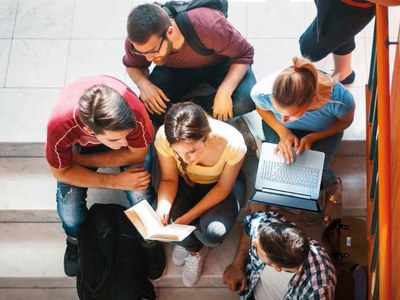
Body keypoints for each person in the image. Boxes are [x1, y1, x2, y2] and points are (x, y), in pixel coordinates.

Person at [45, 75, 165, 279]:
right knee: (69, 206)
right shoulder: (60, 125)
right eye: (116, 138)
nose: (124, 141)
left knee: (140, 193)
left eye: (126, 134)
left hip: (88, 152)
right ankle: (75, 239)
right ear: (88, 130)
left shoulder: (134, 113)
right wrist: (115, 181)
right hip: (80, 145)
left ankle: (149, 238)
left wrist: (80, 162)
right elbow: (60, 171)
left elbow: (136, 153)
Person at [154, 102, 247, 287]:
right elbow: (169, 179)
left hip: (222, 184)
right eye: (178, 153)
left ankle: (196, 247)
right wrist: (163, 206)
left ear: (206, 136)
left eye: (191, 151)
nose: (187, 159)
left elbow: (223, 188)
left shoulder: (233, 142)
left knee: (212, 234)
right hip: (187, 182)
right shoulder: (164, 136)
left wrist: (187, 217)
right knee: (170, 222)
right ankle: (193, 249)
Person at [123, 3, 256, 126]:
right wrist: (144, 85)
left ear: (170, 33)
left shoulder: (209, 25)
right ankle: (196, 112)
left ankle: (188, 112)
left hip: (218, 62)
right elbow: (133, 66)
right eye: (142, 53)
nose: (148, 58)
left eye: (153, 51)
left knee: (247, 99)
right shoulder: (136, 42)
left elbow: (244, 53)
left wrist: (225, 91)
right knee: (147, 108)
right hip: (175, 69)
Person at [250, 56, 355, 204]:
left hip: (323, 132)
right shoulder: (261, 92)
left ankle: (334, 185)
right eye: (278, 111)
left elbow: (344, 122)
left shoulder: (341, 100)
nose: (283, 119)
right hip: (279, 130)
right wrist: (283, 131)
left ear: (312, 101)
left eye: (290, 115)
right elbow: (261, 109)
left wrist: (313, 137)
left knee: (318, 172)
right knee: (279, 166)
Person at [222, 204, 337, 299]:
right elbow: (252, 225)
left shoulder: (319, 289)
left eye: (256, 249)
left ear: (277, 268)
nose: (254, 241)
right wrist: (237, 265)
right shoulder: (269, 227)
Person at [299, 0, 376, 84]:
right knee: (340, 29)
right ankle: (343, 72)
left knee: (309, 50)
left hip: (351, 5)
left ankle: (343, 73)